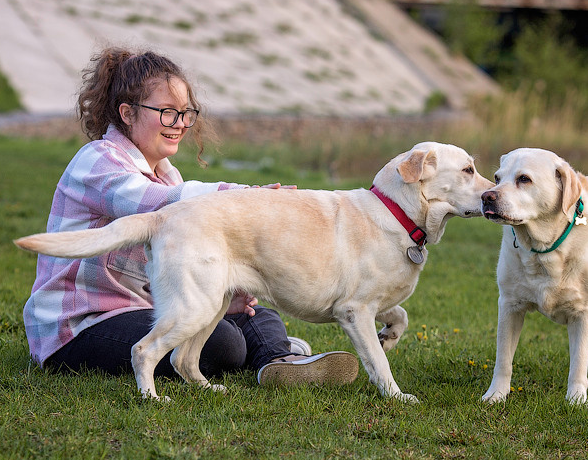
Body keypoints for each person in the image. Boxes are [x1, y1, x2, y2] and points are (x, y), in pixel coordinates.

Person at [22, 46, 359, 388]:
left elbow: (168, 272)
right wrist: (249, 197)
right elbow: (160, 204)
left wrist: (217, 292)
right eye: (167, 112)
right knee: (223, 343)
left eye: (186, 113)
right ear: (127, 113)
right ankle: (258, 351)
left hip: (144, 308)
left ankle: (280, 360)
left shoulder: (169, 174)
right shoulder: (96, 161)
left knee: (251, 313)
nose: (180, 124)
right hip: (82, 326)